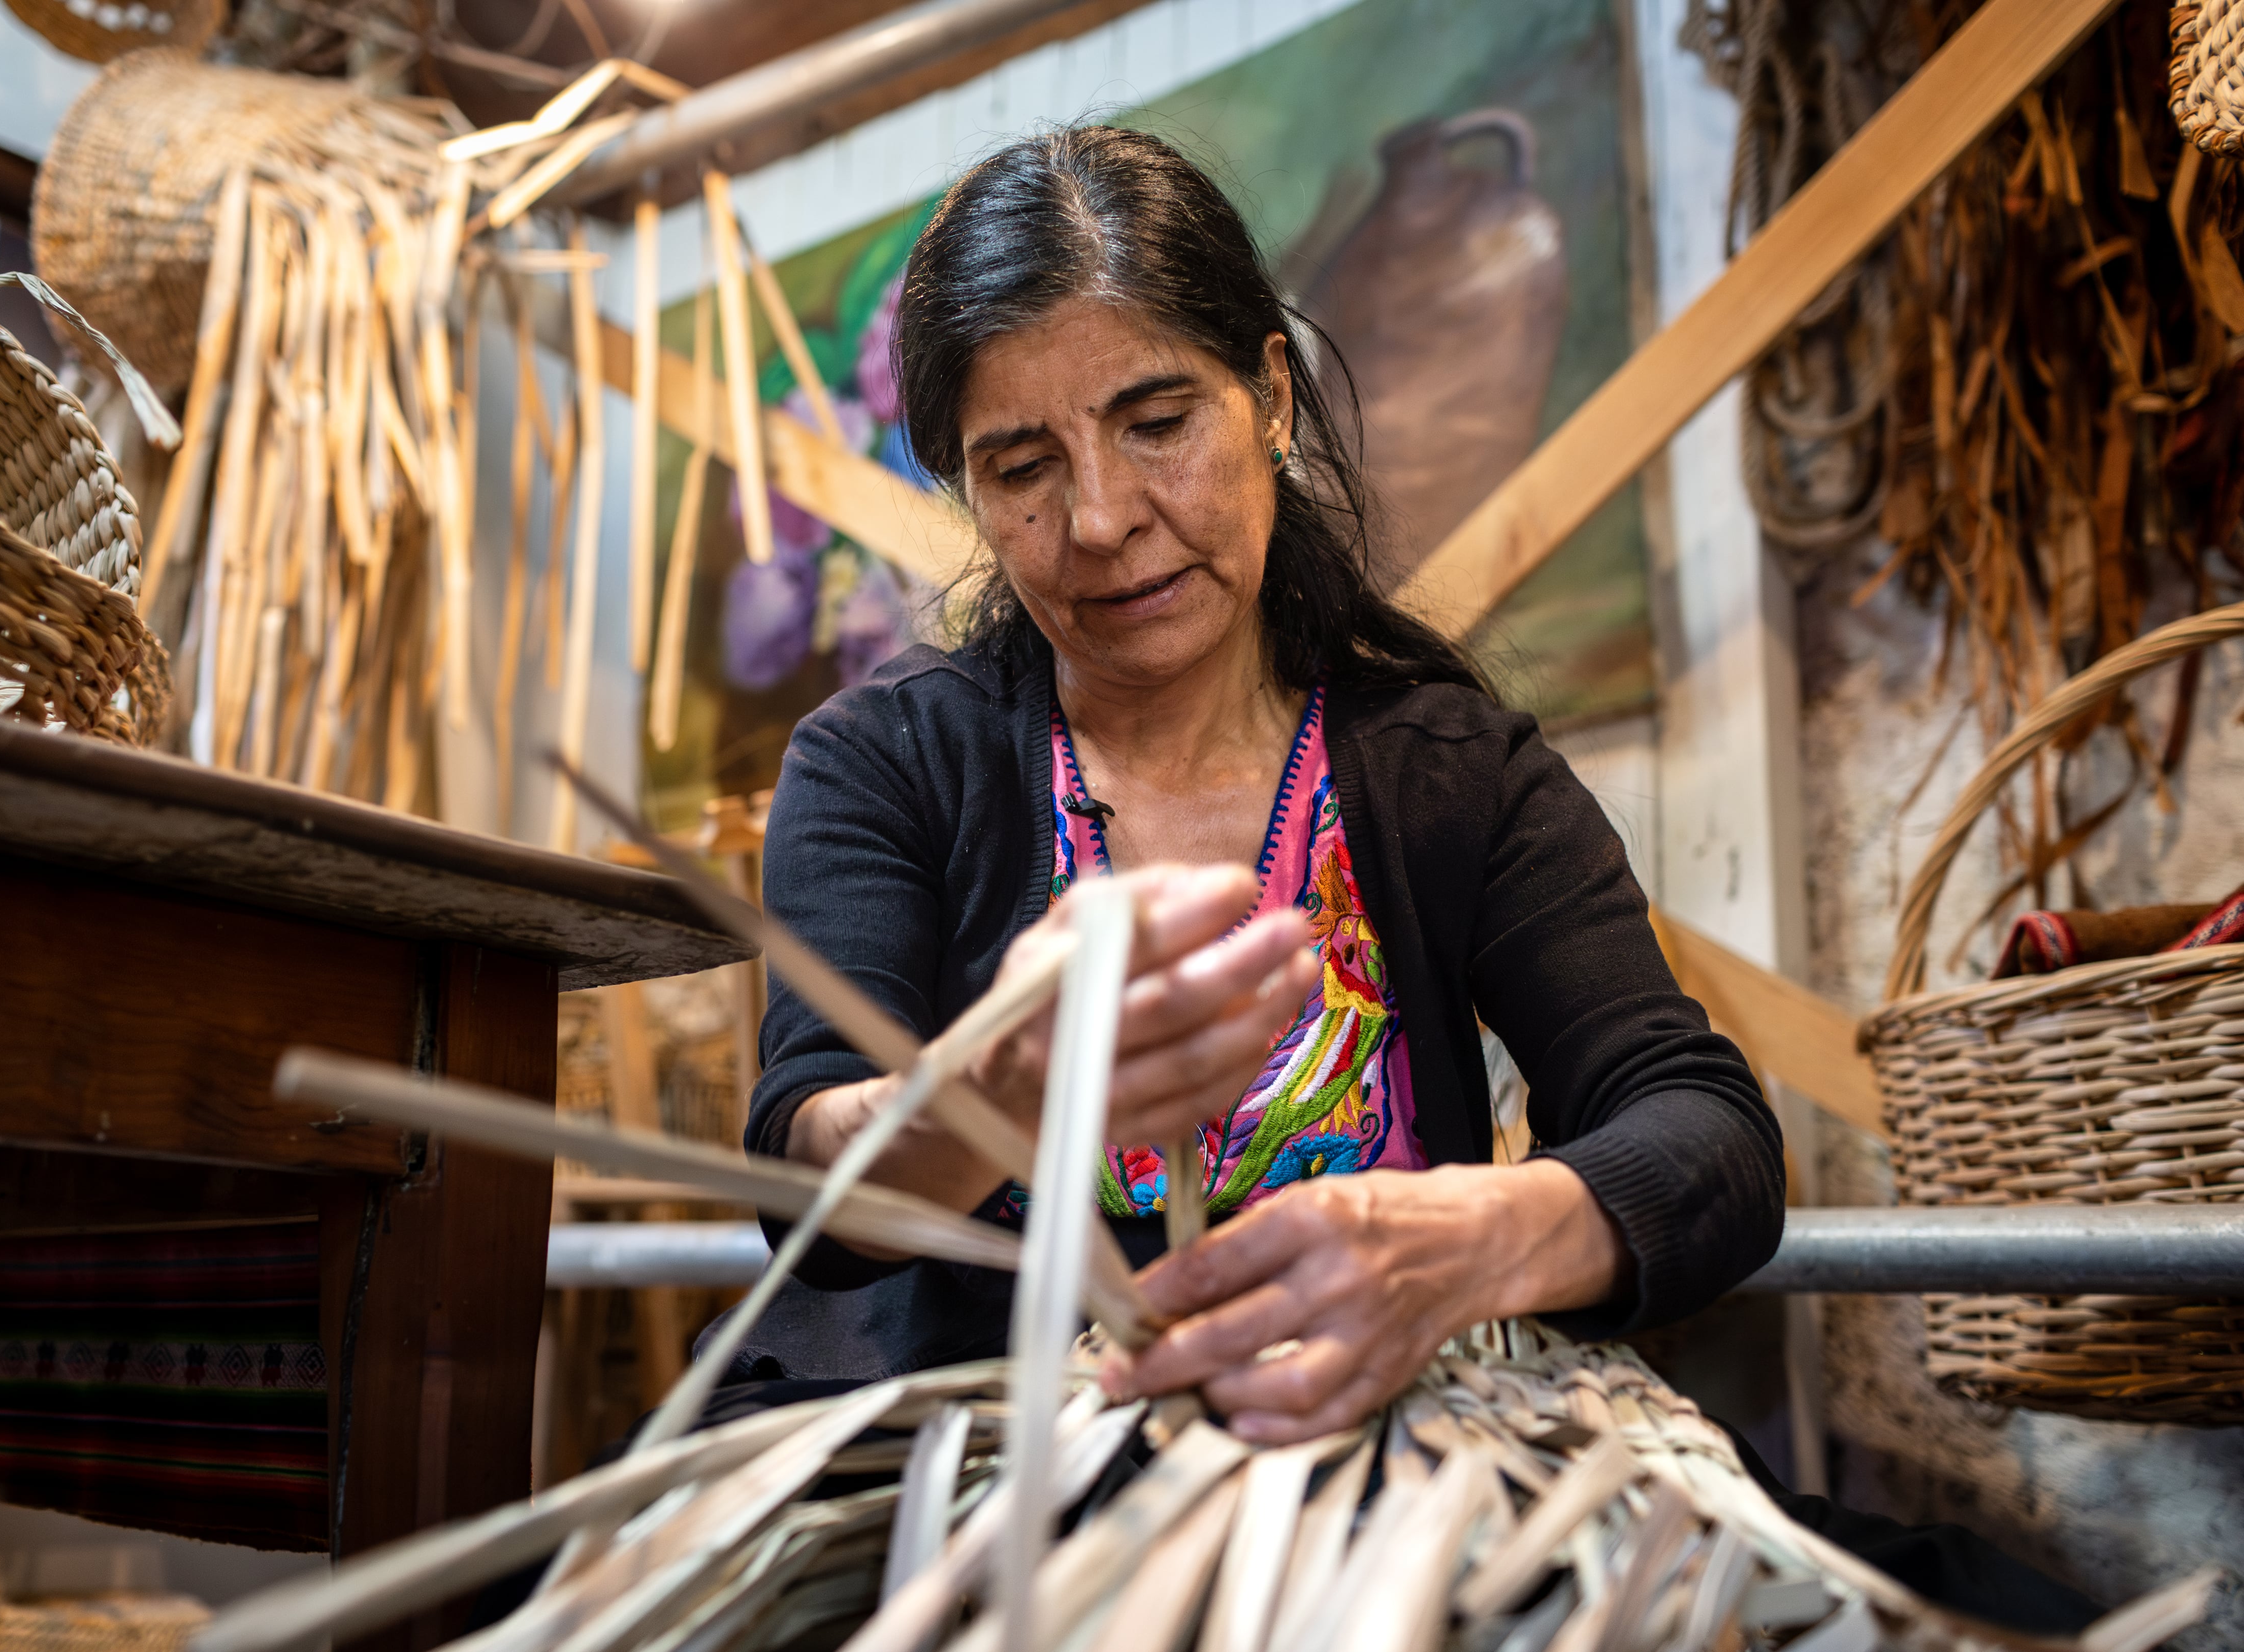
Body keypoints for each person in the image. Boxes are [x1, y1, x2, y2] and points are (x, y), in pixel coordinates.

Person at [727, 122, 1781, 1444]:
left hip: (1356, 1495)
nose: (1102, 517)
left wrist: (1480, 1238)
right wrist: (981, 1098)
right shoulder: (885, 763)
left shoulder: (1445, 772)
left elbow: (1710, 1137)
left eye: (1158, 423)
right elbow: (801, 1174)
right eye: (1024, 468)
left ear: (1271, 398)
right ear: (970, 496)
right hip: (969, 1495)